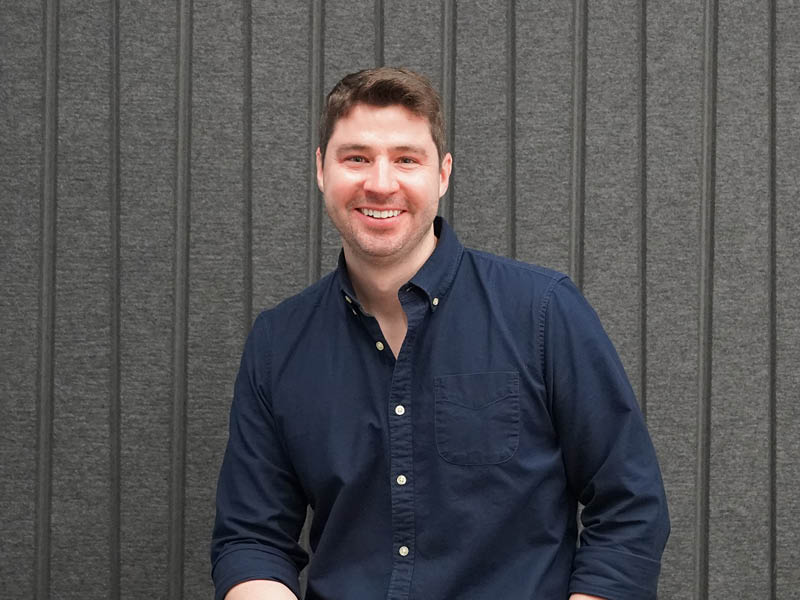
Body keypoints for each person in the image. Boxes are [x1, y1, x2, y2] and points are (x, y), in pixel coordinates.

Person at [211, 67, 669, 600]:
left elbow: (631, 504)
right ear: (320, 169)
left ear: (443, 174)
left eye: (407, 159)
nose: (381, 182)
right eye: (356, 157)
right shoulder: (278, 342)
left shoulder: (543, 311)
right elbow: (252, 538)